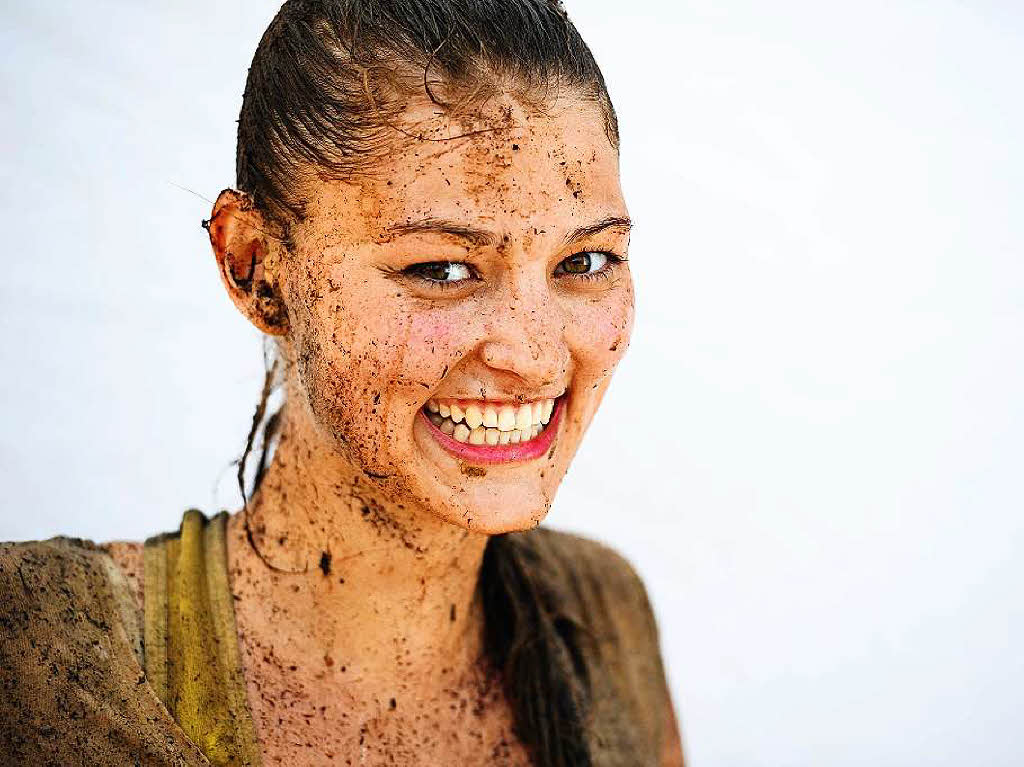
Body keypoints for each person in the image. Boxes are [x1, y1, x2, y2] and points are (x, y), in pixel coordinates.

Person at [0, 1, 684, 764]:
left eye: (584, 262)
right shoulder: (37, 651)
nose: (533, 355)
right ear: (256, 267)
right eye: (441, 269)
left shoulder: (604, 622)